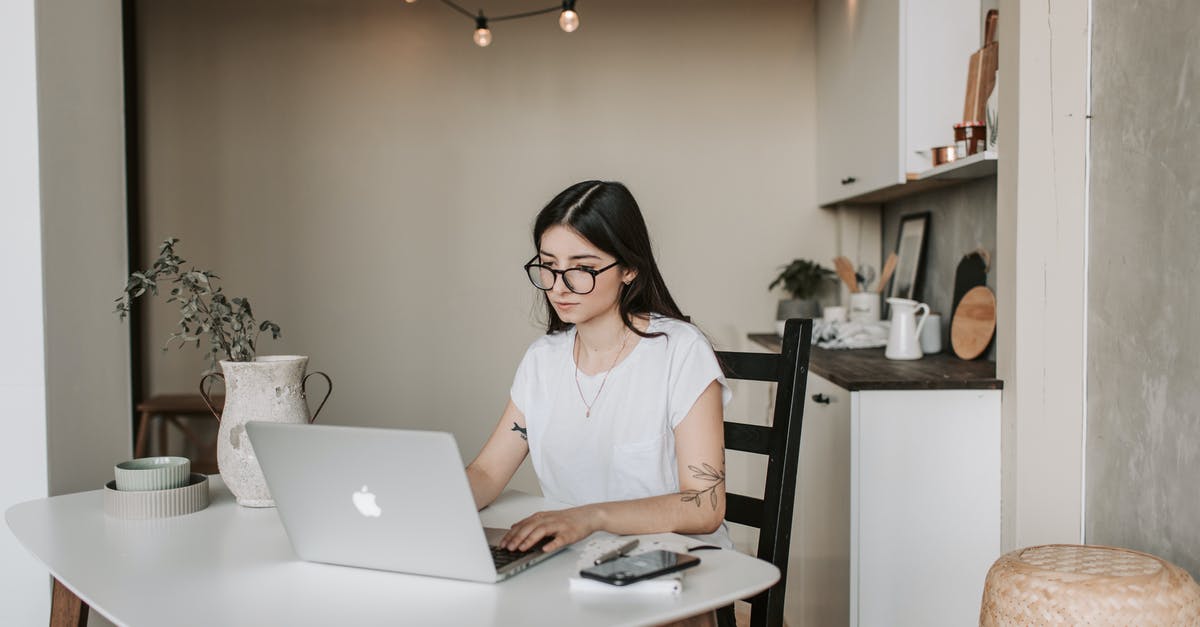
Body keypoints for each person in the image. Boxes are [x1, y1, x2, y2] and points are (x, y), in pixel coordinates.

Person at [466, 180, 733, 555]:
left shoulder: (681, 351)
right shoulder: (542, 360)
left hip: (672, 559)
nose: (559, 286)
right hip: (572, 559)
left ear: (629, 269)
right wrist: (427, 503)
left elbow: (706, 506)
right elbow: (488, 473)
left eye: (582, 268)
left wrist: (589, 517)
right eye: (548, 266)